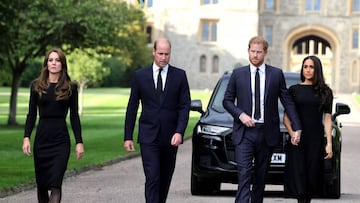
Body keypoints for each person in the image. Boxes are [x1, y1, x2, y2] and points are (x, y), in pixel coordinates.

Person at [223, 36, 302, 203]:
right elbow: (227, 101)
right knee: (244, 174)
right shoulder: (238, 74)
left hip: (267, 133)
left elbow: (286, 100)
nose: (255, 55)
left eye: (259, 52)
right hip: (244, 133)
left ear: (265, 52)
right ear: (248, 51)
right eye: (252, 51)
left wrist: (297, 127)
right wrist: (241, 115)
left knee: (260, 177)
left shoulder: (276, 74)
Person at [124, 38, 191, 203]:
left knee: (165, 178)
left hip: (171, 137)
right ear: (153, 52)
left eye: (167, 54)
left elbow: (184, 106)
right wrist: (128, 136)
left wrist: (179, 131)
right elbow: (132, 107)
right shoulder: (140, 76)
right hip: (148, 136)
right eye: (160, 53)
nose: (163, 57)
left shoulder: (180, 76)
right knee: (153, 177)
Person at [22, 48, 84, 203]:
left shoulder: (70, 87)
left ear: (62, 64)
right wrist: (26, 137)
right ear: (46, 64)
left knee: (56, 185)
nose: (54, 63)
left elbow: (74, 116)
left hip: (60, 141)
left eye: (57, 60)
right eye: (51, 60)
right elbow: (31, 114)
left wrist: (79, 142)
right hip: (42, 139)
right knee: (42, 186)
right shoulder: (37, 86)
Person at [283, 55, 333, 203]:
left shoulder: (326, 92)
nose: (308, 70)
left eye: (311, 67)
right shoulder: (294, 90)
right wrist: (292, 134)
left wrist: (328, 143)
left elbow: (328, 119)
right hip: (297, 140)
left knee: (311, 177)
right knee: (298, 176)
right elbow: (286, 118)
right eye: (305, 67)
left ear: (317, 69)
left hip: (315, 140)